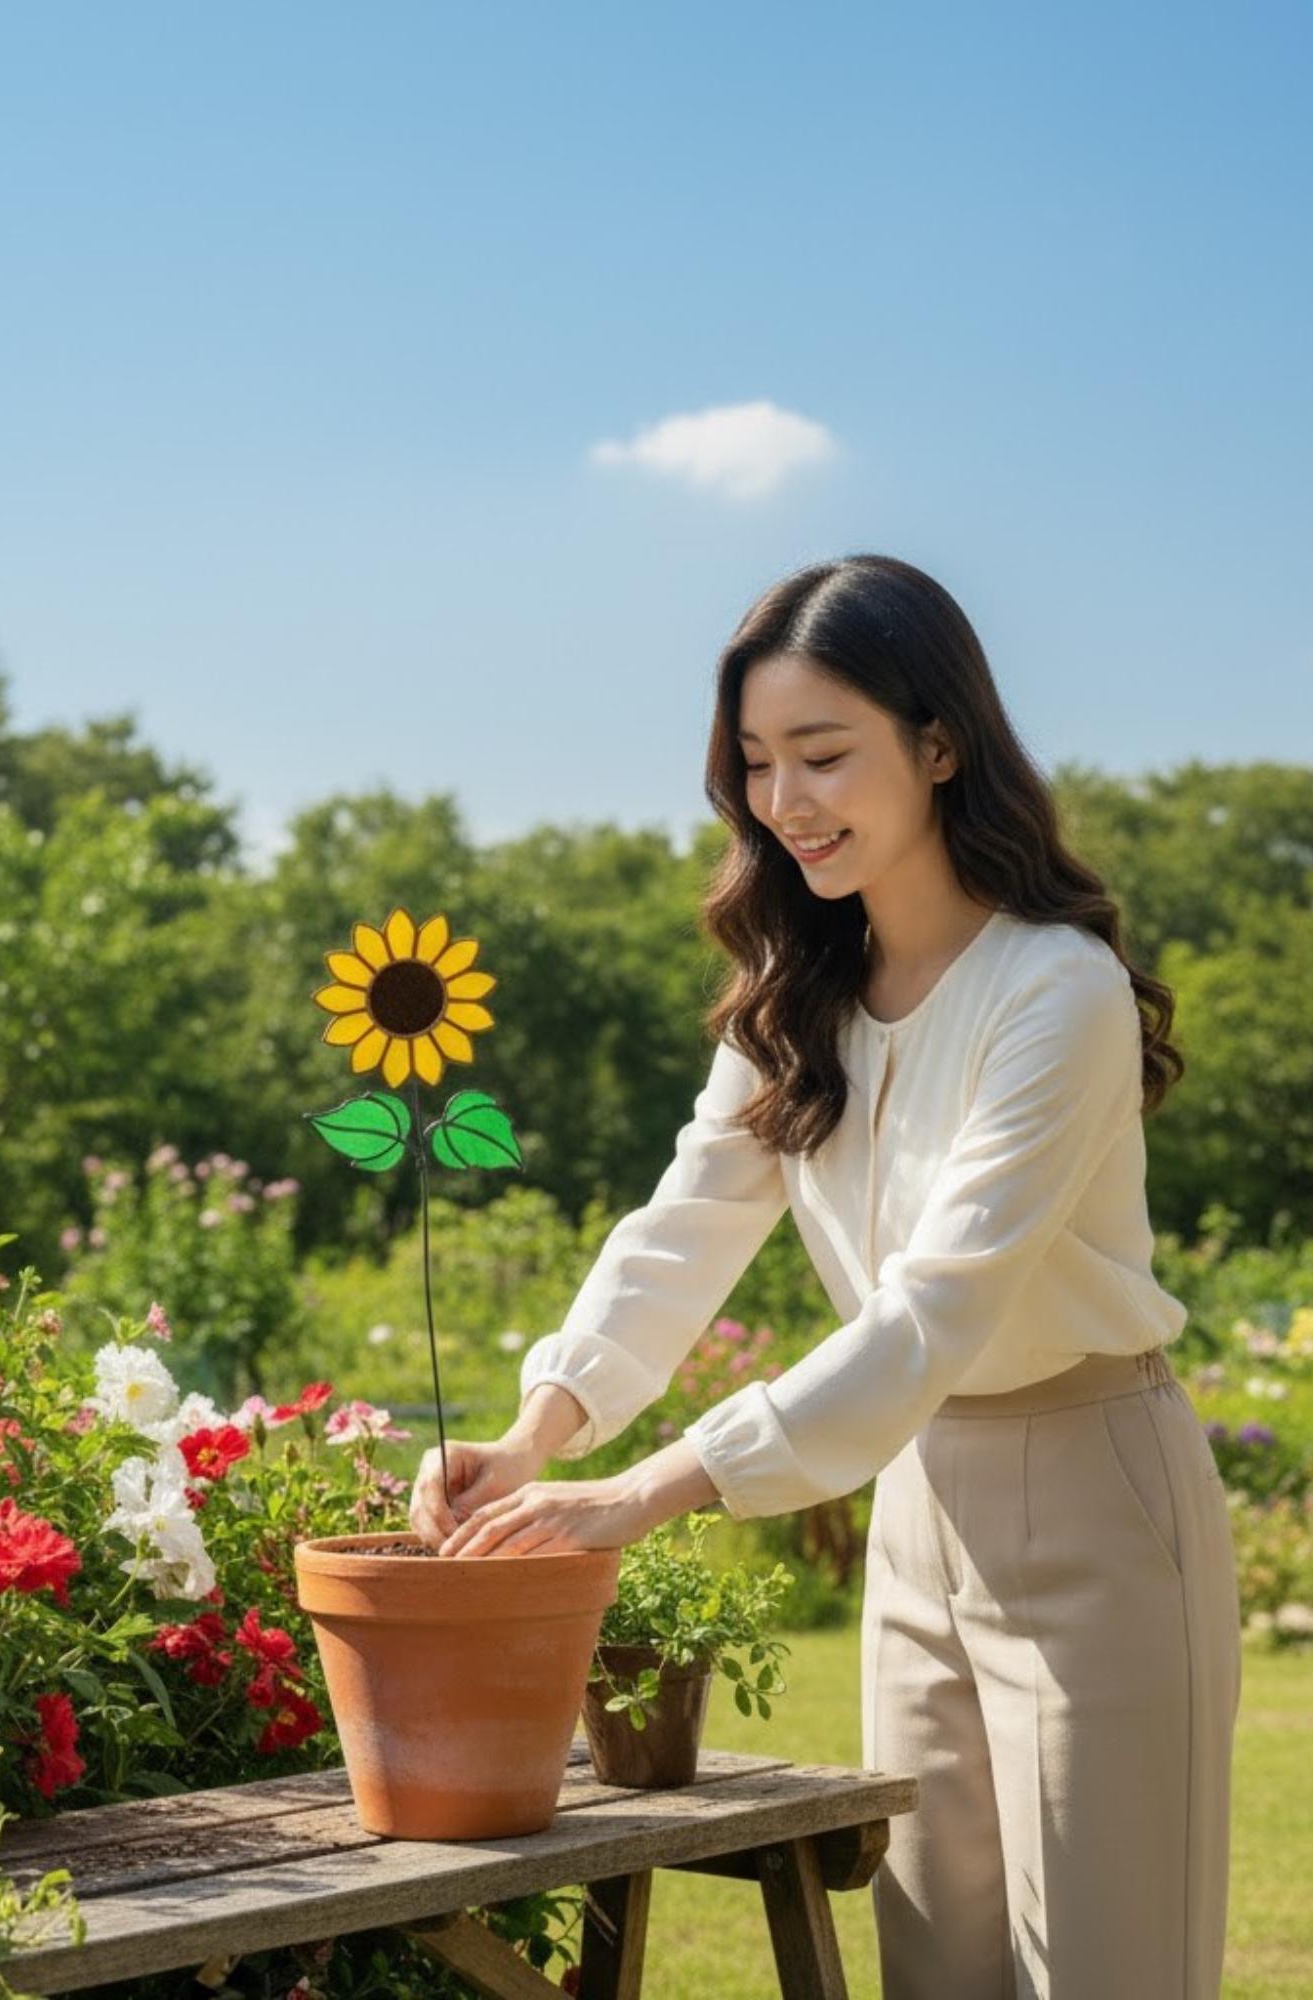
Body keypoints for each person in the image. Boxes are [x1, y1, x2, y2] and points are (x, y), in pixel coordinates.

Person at [407, 552, 1242, 1998]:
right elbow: (684, 1225)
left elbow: (935, 1307)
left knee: (1110, 1970)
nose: (786, 802)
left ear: (938, 744)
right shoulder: (797, 1001)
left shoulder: (1057, 992)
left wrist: (644, 1494)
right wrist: (540, 1431)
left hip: (1105, 1507)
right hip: (920, 1516)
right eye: (755, 763)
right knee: (936, 1970)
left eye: (823, 754)